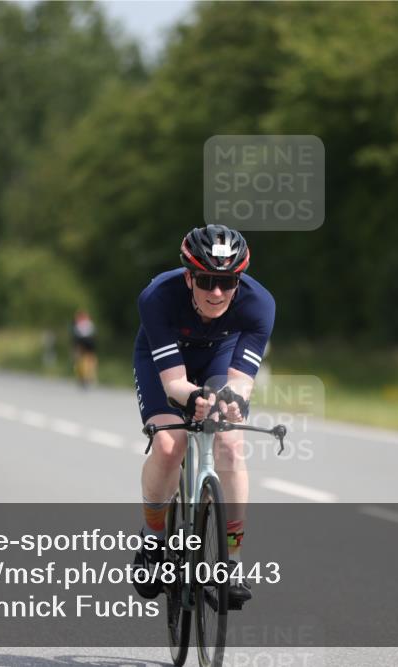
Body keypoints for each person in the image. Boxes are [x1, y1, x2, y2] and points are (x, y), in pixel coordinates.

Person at [131, 224, 274, 608]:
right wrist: (194, 395)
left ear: (238, 280)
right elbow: (175, 382)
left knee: (230, 444)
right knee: (168, 443)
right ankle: (152, 540)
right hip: (166, 358)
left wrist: (233, 401)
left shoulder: (259, 304)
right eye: (207, 280)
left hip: (219, 352)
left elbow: (241, 382)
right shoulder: (158, 297)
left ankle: (233, 560)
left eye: (227, 283)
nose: (216, 292)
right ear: (189, 275)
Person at [71, 310, 97, 387]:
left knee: (78, 358)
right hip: (89, 341)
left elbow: (75, 337)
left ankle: (82, 377)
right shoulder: (90, 323)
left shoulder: (77, 324)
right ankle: (90, 376)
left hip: (81, 341)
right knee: (90, 358)